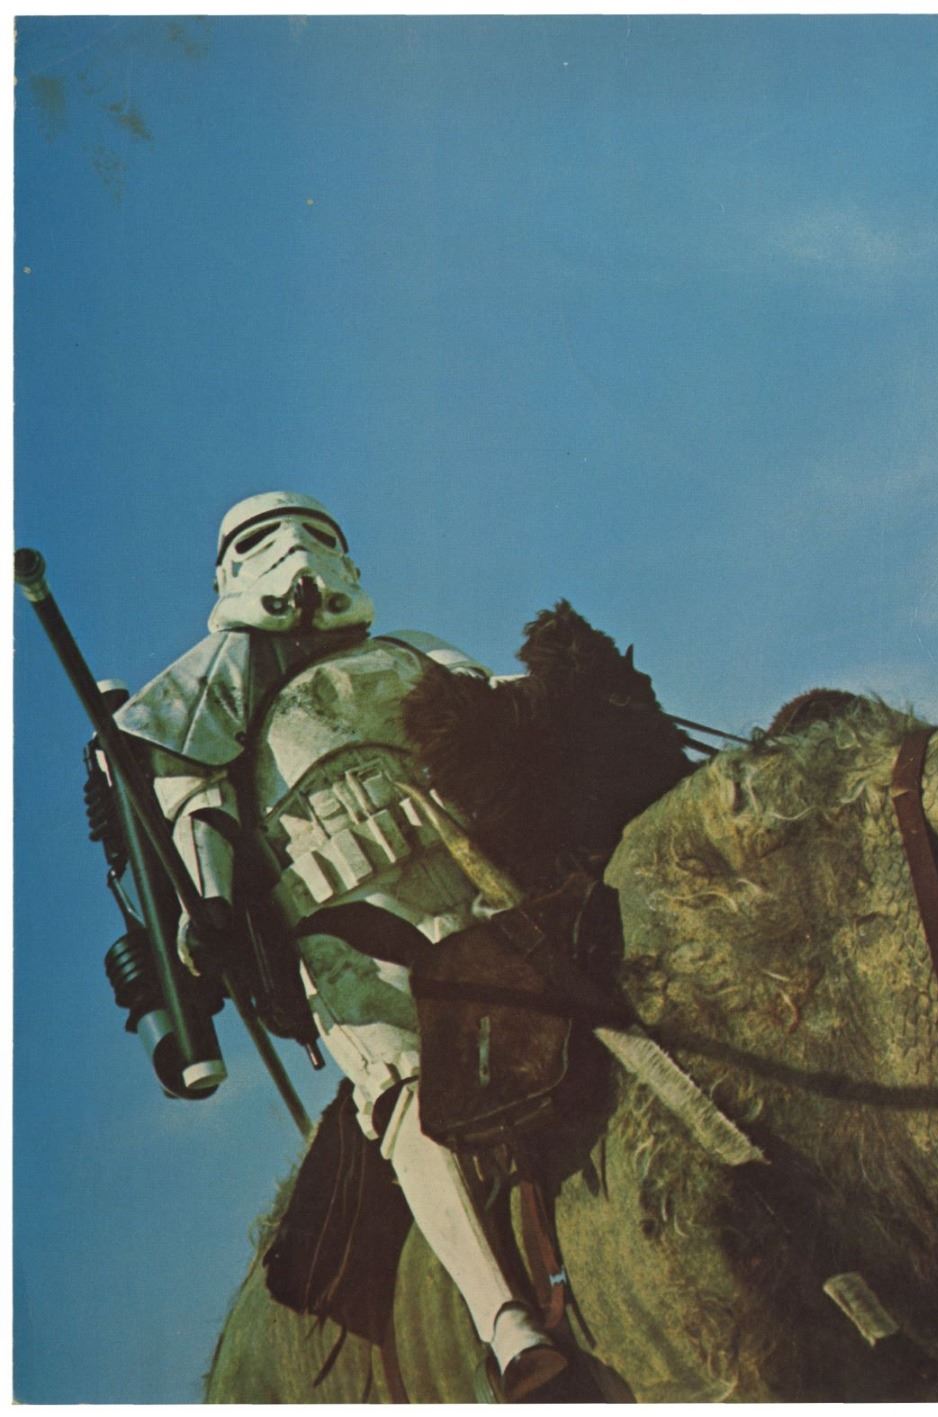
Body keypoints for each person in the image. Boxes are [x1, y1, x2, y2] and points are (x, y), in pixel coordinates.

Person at [114, 491, 567, 1401]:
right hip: (339, 915)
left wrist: (564, 695)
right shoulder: (210, 688)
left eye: (318, 534)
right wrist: (208, 902)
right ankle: (502, 1318)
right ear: (230, 568)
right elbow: (198, 798)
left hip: (466, 867)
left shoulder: (407, 651)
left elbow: (498, 712)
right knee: (400, 1080)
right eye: (263, 539)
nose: (295, 551)